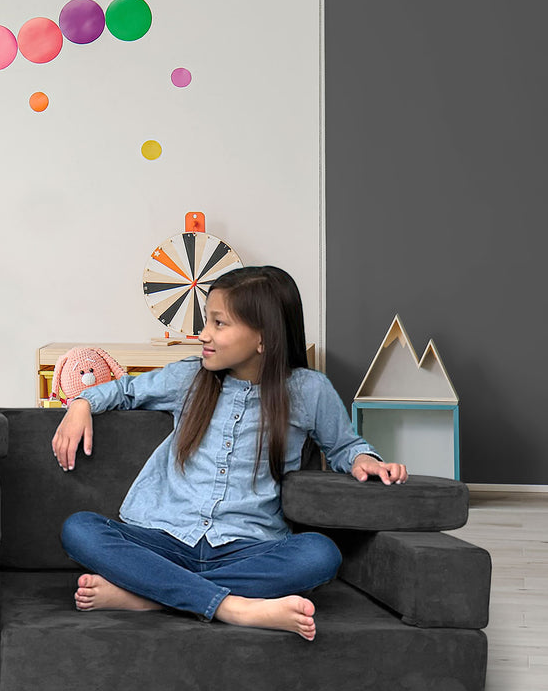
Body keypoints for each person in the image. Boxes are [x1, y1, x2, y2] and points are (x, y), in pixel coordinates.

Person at [52, 265, 407, 641]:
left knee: (320, 554)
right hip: (164, 538)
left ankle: (152, 595)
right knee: (79, 529)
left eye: (219, 324)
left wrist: (364, 460)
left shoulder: (308, 390)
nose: (204, 334)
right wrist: (81, 405)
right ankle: (234, 607)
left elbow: (344, 446)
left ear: (264, 339)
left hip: (246, 546)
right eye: (208, 321)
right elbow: (125, 390)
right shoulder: (188, 378)